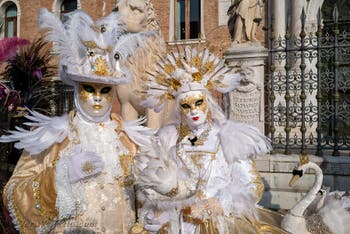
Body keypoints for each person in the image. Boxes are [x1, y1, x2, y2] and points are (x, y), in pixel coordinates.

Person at [0, 8, 154, 233]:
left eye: (105, 90)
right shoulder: (53, 137)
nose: (98, 98)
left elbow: (146, 202)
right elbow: (14, 196)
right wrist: (59, 177)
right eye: (89, 89)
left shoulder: (129, 140)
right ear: (76, 89)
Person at [135, 46, 274, 233]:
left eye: (198, 102)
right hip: (175, 224)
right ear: (179, 108)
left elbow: (253, 186)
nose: (193, 110)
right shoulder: (167, 139)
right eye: (186, 105)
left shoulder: (226, 137)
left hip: (218, 224)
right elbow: (149, 185)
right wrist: (160, 212)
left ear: (208, 102)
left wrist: (215, 204)